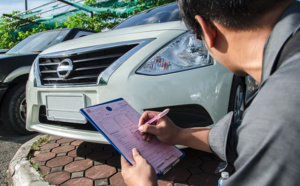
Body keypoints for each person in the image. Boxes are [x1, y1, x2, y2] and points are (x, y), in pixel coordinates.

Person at [121, 0, 300, 185]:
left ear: (207, 30)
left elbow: (264, 134)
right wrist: (178, 134)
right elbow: (242, 137)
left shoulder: (280, 108)